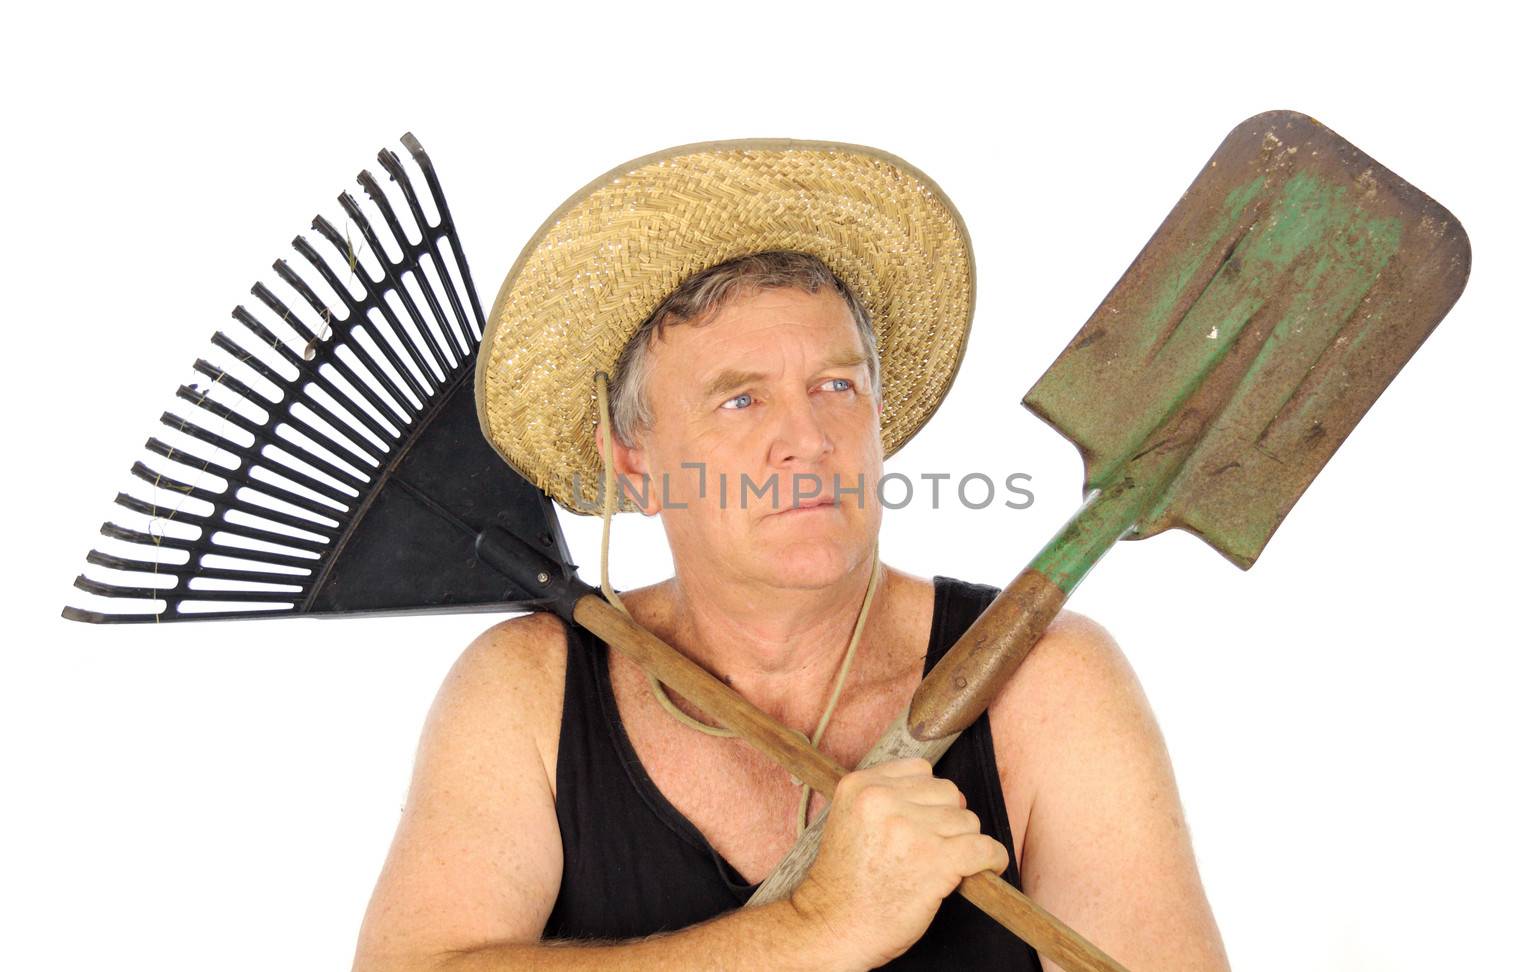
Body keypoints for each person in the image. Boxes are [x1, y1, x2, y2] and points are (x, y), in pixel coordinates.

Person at [353, 140, 1229, 971]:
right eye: (740, 401)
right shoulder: (529, 692)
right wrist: (817, 929)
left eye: (836, 387)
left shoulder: (1049, 682)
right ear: (635, 463)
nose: (807, 439)